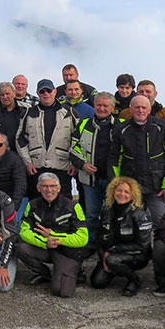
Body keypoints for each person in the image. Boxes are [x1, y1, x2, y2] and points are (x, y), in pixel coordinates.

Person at [109, 94, 165, 223]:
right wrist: (116, 185)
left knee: (163, 224)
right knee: (129, 224)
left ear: (149, 110)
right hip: (130, 188)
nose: (140, 110)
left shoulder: (164, 127)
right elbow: (114, 159)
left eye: (144, 107)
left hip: (158, 189)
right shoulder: (121, 129)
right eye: (137, 107)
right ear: (131, 109)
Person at [18, 172, 88, 298]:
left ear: (59, 188)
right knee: (20, 248)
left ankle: (76, 270)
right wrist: (45, 242)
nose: (49, 190)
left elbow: (83, 238)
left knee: (62, 292)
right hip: (45, 247)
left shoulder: (73, 206)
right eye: (45, 186)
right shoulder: (32, 205)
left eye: (52, 186)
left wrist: (54, 237)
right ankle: (44, 274)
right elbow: (24, 231)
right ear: (38, 188)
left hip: (66, 252)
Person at [70, 92, 118, 251]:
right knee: (91, 215)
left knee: (114, 214)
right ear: (94, 106)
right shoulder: (84, 124)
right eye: (99, 105)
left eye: (105, 106)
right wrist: (83, 164)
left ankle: (111, 245)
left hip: (114, 180)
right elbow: (73, 148)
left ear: (112, 108)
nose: (102, 108)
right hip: (90, 179)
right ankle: (90, 244)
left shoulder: (120, 126)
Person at [89, 177, 152, 297]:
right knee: (97, 282)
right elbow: (99, 236)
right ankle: (115, 267)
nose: (122, 194)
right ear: (112, 191)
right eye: (119, 190)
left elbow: (142, 245)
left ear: (133, 194)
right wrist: (103, 256)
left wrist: (112, 251)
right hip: (111, 253)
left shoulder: (140, 212)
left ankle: (134, 279)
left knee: (112, 260)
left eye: (127, 192)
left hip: (136, 254)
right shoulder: (107, 208)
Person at [17, 78, 78, 198]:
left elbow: (78, 140)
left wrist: (74, 163)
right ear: (38, 93)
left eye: (49, 91)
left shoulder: (70, 113)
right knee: (37, 204)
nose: (46, 94)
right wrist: (27, 162)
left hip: (63, 167)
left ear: (55, 92)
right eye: (42, 91)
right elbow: (20, 139)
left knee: (64, 204)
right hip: (36, 167)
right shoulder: (28, 114)